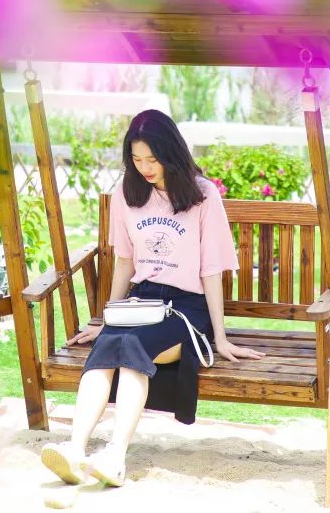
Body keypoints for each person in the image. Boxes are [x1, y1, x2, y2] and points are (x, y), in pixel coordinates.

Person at [40, 109, 262, 487]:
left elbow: (211, 270)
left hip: (186, 308)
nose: (144, 168)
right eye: (137, 159)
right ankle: (75, 449)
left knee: (131, 346)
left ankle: (115, 456)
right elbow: (125, 262)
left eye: (152, 160)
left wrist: (221, 337)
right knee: (109, 343)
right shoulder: (126, 194)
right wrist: (106, 319)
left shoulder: (203, 195)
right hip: (140, 303)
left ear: (170, 153)